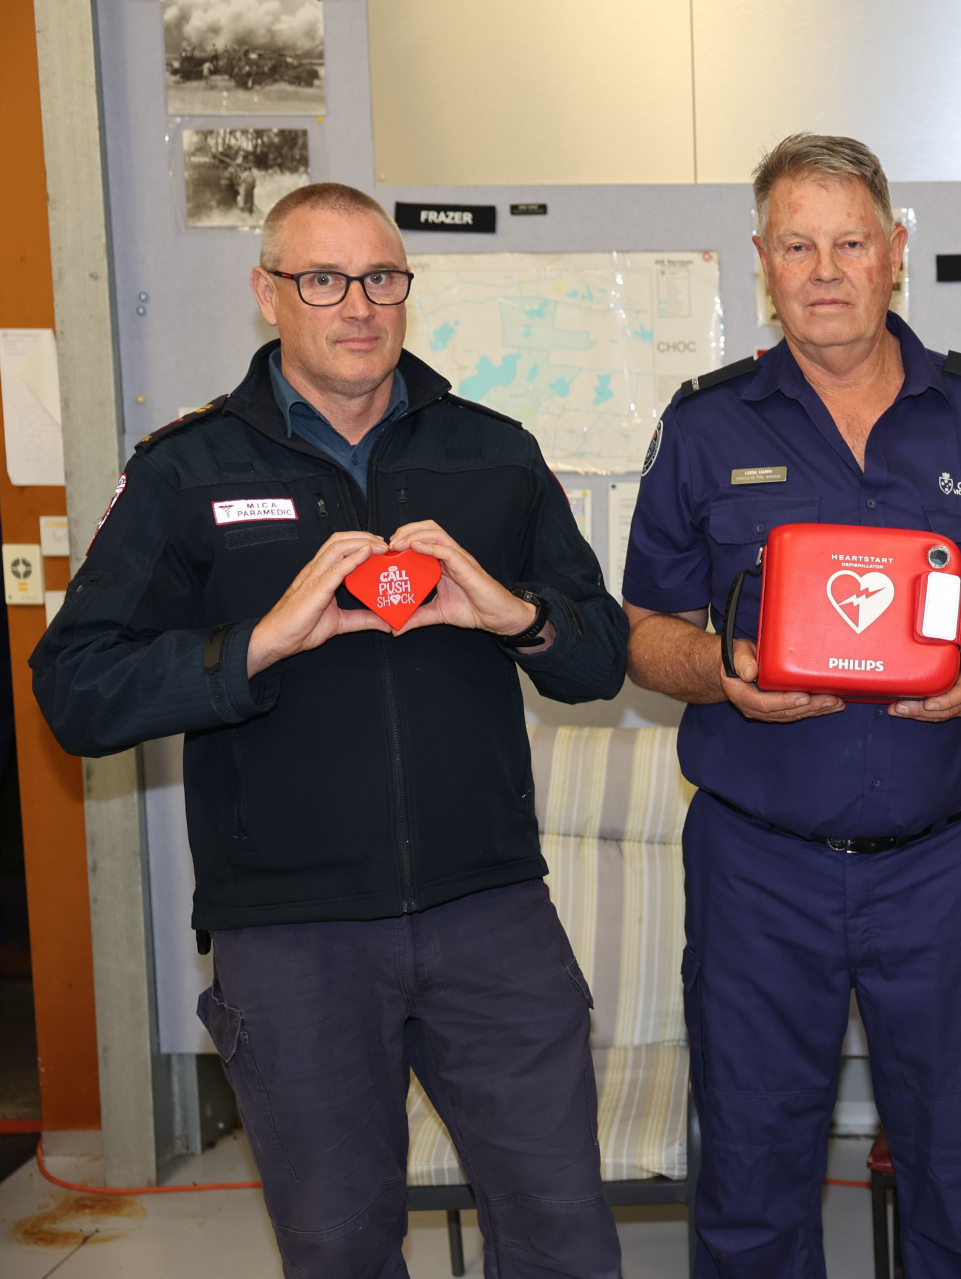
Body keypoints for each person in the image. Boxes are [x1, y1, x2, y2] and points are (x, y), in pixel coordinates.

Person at [31, 183, 629, 1278]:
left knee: (562, 1236)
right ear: (269, 294)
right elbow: (75, 689)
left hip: (488, 914)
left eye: (382, 278)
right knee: (338, 1247)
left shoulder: (492, 452)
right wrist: (252, 644)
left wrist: (515, 616)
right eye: (323, 279)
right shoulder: (186, 470)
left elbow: (599, 658)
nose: (359, 305)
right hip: (291, 936)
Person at [620, 132, 961, 1279]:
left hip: (944, 861)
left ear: (894, 253)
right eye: (798, 244)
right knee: (754, 1181)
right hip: (759, 865)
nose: (825, 269)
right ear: (761, 262)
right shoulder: (704, 426)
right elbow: (639, 630)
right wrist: (719, 673)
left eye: (850, 242)